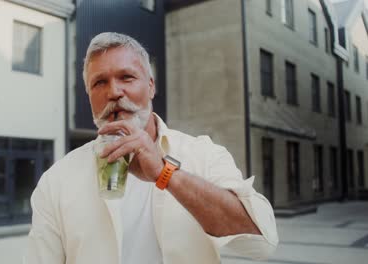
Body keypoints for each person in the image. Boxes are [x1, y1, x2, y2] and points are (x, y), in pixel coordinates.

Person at [24, 32, 278, 264]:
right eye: (99, 82)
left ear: (151, 86)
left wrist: (165, 173)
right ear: (89, 95)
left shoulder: (204, 154)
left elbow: (261, 244)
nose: (114, 91)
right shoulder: (56, 181)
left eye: (127, 77)